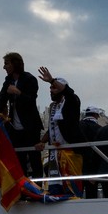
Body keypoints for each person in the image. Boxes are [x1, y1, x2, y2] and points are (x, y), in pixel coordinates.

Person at [0, 52, 44, 178]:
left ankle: (37, 191)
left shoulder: (30, 79)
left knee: (34, 160)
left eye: (6, 64)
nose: (4, 67)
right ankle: (23, 190)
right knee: (18, 161)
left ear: (15, 64)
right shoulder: (8, 80)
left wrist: (18, 92)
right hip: (15, 129)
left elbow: (31, 100)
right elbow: (1, 98)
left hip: (30, 127)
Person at [34, 68, 84, 196]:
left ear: (62, 88)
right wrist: (42, 142)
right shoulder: (53, 106)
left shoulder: (72, 101)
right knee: (55, 187)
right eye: (50, 88)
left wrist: (51, 80)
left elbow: (69, 93)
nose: (51, 90)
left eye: (54, 88)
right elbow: (51, 128)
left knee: (71, 187)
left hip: (70, 151)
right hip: (54, 154)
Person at [78, 107, 104, 198]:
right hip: (93, 167)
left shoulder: (77, 126)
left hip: (76, 166)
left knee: (77, 193)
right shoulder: (99, 129)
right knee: (91, 193)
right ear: (96, 115)